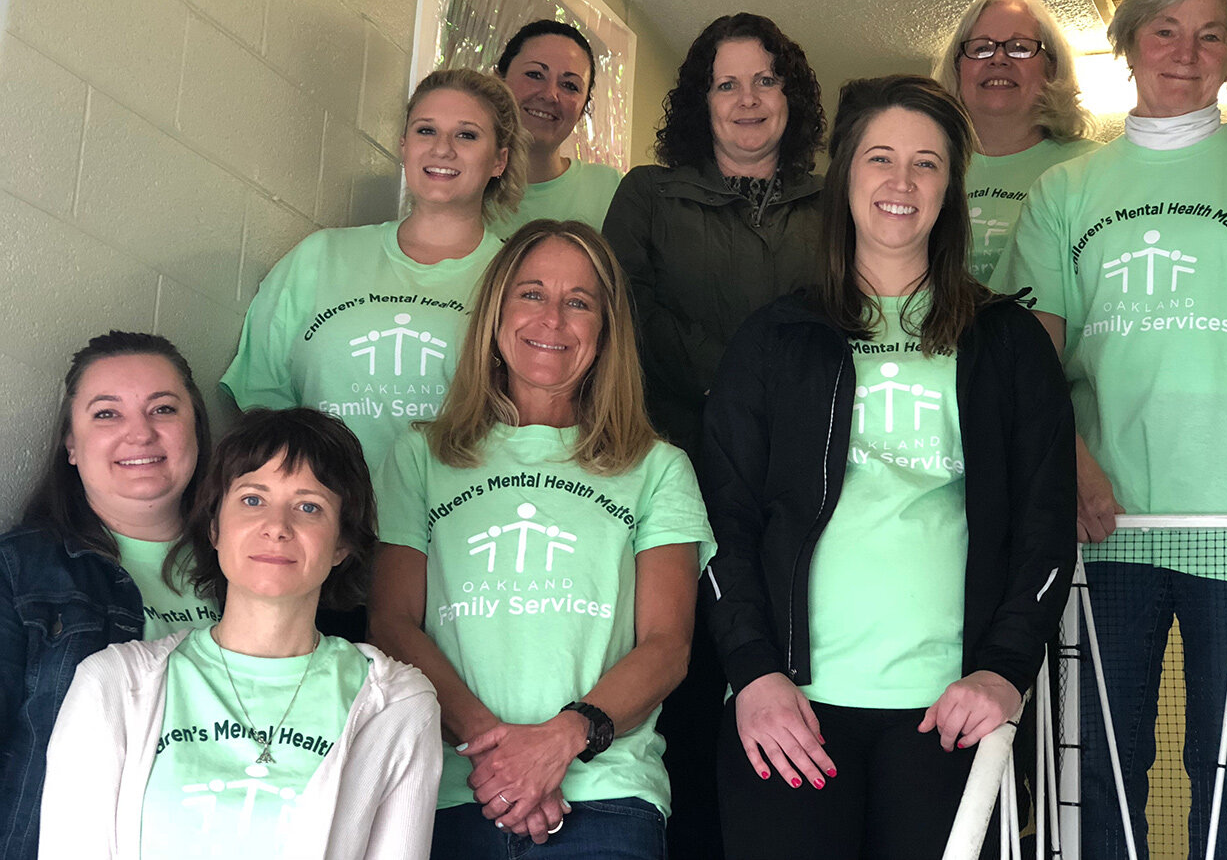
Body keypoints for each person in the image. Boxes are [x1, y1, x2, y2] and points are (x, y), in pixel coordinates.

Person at [992, 0, 1227, 859]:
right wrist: (1073, 466)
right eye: (1165, 29)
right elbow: (1032, 357)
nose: (1186, 50)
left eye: (1212, 34)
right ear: (1129, 42)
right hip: (1110, 526)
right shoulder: (1068, 190)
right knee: (1100, 761)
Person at [703, 75, 1076, 860]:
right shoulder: (776, 339)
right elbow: (722, 521)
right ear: (845, 178)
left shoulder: (1006, 345)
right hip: (791, 712)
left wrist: (1004, 674)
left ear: (951, 189)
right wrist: (754, 671)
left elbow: (1045, 529)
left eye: (927, 163)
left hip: (947, 714)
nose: (901, 182)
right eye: (880, 158)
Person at [370, 219, 715, 859]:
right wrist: (502, 757)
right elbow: (392, 626)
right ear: (496, 315)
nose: (552, 319)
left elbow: (668, 647)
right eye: (532, 294)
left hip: (607, 798)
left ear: (606, 331)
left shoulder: (657, 467)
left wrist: (558, 742)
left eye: (579, 302)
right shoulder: (420, 457)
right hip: (449, 789)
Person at [603, 14, 825, 855]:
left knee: (791, 678)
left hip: (805, 483)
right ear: (701, 101)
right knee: (691, 685)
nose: (746, 99)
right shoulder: (649, 194)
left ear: (790, 95)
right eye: (725, 83)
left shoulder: (832, 200)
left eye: (764, 80)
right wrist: (736, 389)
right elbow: (625, 313)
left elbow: (845, 319)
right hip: (680, 474)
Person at [40, 407, 443, 860]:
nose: (277, 527)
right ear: (215, 527)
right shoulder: (113, 683)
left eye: (309, 507)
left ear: (342, 544)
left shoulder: (397, 704)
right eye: (253, 499)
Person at [222, 67, 529, 474]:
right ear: (403, 146)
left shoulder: (518, 279)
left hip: (456, 525)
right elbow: (262, 399)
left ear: (499, 160)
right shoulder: (320, 256)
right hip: (325, 519)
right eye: (425, 131)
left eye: (467, 135)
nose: (442, 149)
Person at [0, 331, 214, 860]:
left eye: (162, 408)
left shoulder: (261, 564)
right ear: (71, 445)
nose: (139, 433)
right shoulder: (18, 569)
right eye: (106, 414)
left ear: (196, 431)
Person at [932, 0, 1099, 283]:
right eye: (981, 47)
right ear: (958, 67)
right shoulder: (924, 168)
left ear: (1051, 66)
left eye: (1020, 47)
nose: (998, 59)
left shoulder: (1093, 167)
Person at [492, 19, 622, 237]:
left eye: (570, 86)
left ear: (582, 110)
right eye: (534, 74)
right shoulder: (463, 181)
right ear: (498, 83)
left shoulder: (611, 190)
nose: (550, 94)